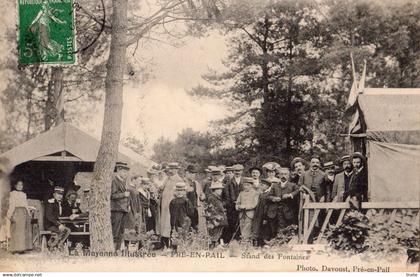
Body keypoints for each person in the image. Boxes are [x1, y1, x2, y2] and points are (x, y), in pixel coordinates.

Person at [160, 162, 183, 247]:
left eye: (174, 169)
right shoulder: (167, 179)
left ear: (177, 170)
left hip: (173, 206)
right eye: (170, 169)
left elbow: (180, 194)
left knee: (170, 223)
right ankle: (163, 244)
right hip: (164, 205)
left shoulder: (179, 180)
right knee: (163, 223)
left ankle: (171, 244)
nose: (171, 170)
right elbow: (161, 188)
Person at [7, 181, 34, 253]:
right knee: (16, 231)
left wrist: (29, 214)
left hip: (24, 213)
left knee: (23, 231)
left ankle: (22, 249)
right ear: (15, 185)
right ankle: (15, 249)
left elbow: (25, 204)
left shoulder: (24, 194)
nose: (20, 186)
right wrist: (9, 214)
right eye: (18, 184)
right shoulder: (12, 194)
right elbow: (12, 204)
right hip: (16, 212)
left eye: (21, 184)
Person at [110, 161, 130, 251]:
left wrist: (128, 205)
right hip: (116, 209)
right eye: (124, 172)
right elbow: (113, 195)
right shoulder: (114, 181)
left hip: (123, 209)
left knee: (121, 231)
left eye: (126, 172)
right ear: (118, 171)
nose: (125, 174)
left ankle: (117, 250)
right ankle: (113, 250)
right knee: (115, 231)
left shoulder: (123, 181)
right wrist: (124, 195)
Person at [222, 164, 244, 242]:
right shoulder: (229, 183)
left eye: (239, 171)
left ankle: (241, 239)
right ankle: (233, 240)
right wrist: (231, 203)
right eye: (236, 171)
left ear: (242, 171)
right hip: (231, 206)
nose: (237, 172)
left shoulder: (245, 181)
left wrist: (241, 203)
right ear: (233, 172)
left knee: (242, 222)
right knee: (232, 222)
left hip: (243, 206)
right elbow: (227, 195)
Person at [235, 177, 260, 242]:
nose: (246, 187)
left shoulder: (255, 193)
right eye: (244, 185)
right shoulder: (241, 193)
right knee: (242, 227)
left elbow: (254, 204)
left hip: (250, 214)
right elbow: (237, 203)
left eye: (248, 185)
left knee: (247, 228)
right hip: (241, 214)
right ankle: (244, 241)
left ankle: (245, 241)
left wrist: (245, 207)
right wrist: (238, 207)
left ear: (251, 185)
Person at [252, 179, 275, 246]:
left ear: (268, 186)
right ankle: (257, 244)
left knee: (265, 229)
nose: (261, 186)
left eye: (263, 185)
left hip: (264, 216)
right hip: (258, 215)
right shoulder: (261, 194)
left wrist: (265, 217)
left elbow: (266, 207)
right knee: (257, 228)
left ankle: (264, 244)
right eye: (261, 185)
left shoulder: (268, 195)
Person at [205, 181, 228, 248]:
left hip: (219, 219)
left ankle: (215, 246)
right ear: (214, 190)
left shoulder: (217, 197)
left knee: (218, 234)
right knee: (214, 235)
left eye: (221, 189)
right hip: (216, 220)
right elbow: (211, 210)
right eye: (219, 189)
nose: (220, 190)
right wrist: (217, 218)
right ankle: (213, 247)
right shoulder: (212, 198)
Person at [184, 165, 201, 230]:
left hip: (194, 209)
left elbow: (200, 194)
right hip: (185, 210)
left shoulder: (196, 183)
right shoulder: (182, 182)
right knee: (185, 228)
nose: (193, 175)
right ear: (186, 173)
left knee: (195, 228)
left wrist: (202, 196)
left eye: (194, 173)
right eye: (191, 173)